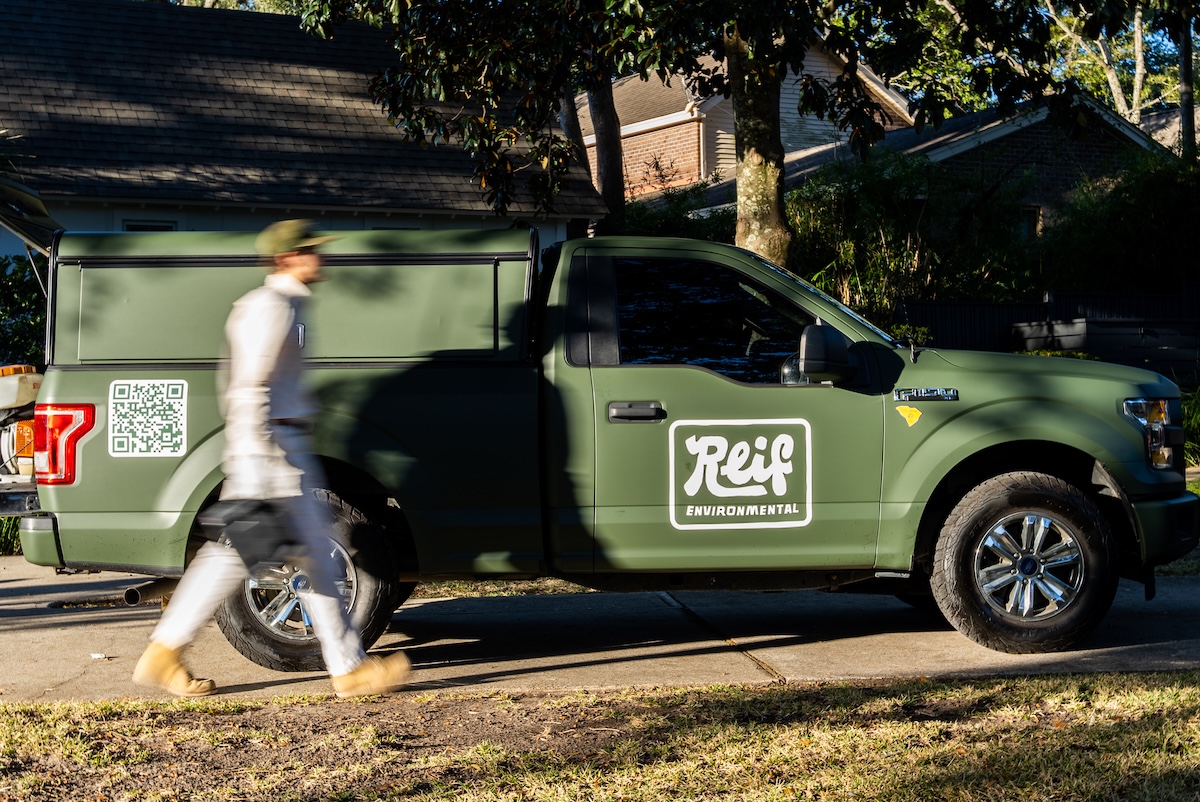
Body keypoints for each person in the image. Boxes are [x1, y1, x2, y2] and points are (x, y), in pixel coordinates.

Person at [133, 219, 411, 698]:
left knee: (276, 559)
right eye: (310, 250)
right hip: (270, 452)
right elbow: (249, 387)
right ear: (287, 258)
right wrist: (261, 459)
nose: (319, 257)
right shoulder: (272, 307)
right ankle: (346, 669)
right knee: (265, 558)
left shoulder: (288, 305)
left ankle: (166, 652)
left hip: (279, 449)